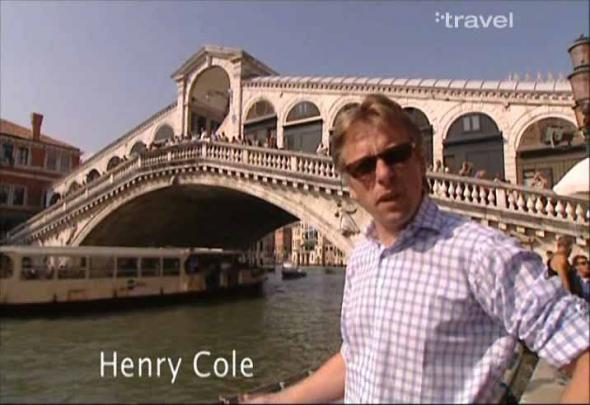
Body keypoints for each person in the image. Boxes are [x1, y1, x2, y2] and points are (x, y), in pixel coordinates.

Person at [244, 94, 589, 404]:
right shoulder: (363, 255)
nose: (383, 175)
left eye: (395, 156)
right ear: (349, 185)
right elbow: (359, 358)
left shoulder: (480, 252)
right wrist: (280, 400)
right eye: (364, 167)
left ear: (420, 161)